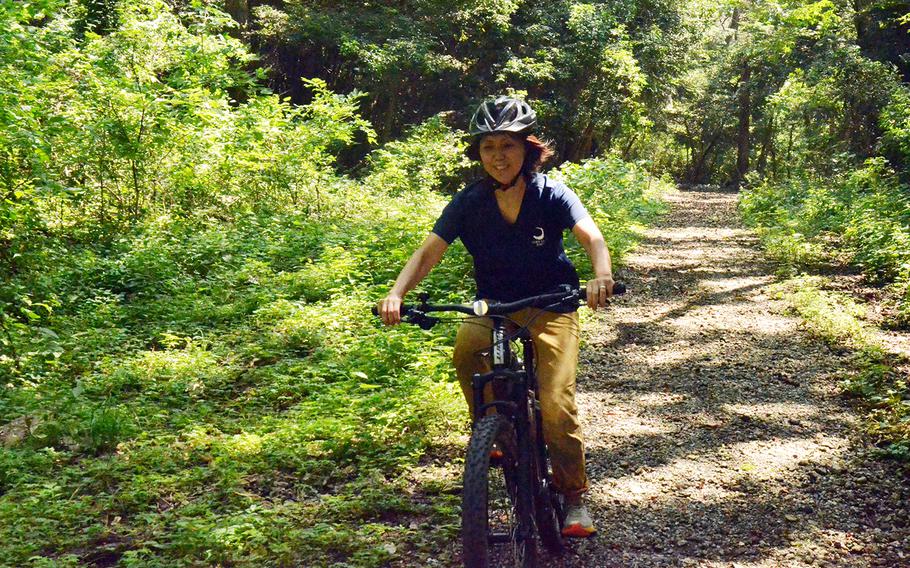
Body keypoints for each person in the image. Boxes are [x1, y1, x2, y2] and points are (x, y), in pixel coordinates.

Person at [377, 96, 614, 538]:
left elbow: (593, 238)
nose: (498, 157)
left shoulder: (551, 193)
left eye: (508, 145)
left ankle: (575, 497)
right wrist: (396, 292)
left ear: (528, 149)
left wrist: (601, 275)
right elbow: (428, 252)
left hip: (551, 304)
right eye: (488, 147)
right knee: (467, 348)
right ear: (478, 154)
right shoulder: (469, 203)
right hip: (495, 306)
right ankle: (494, 428)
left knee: (557, 405)